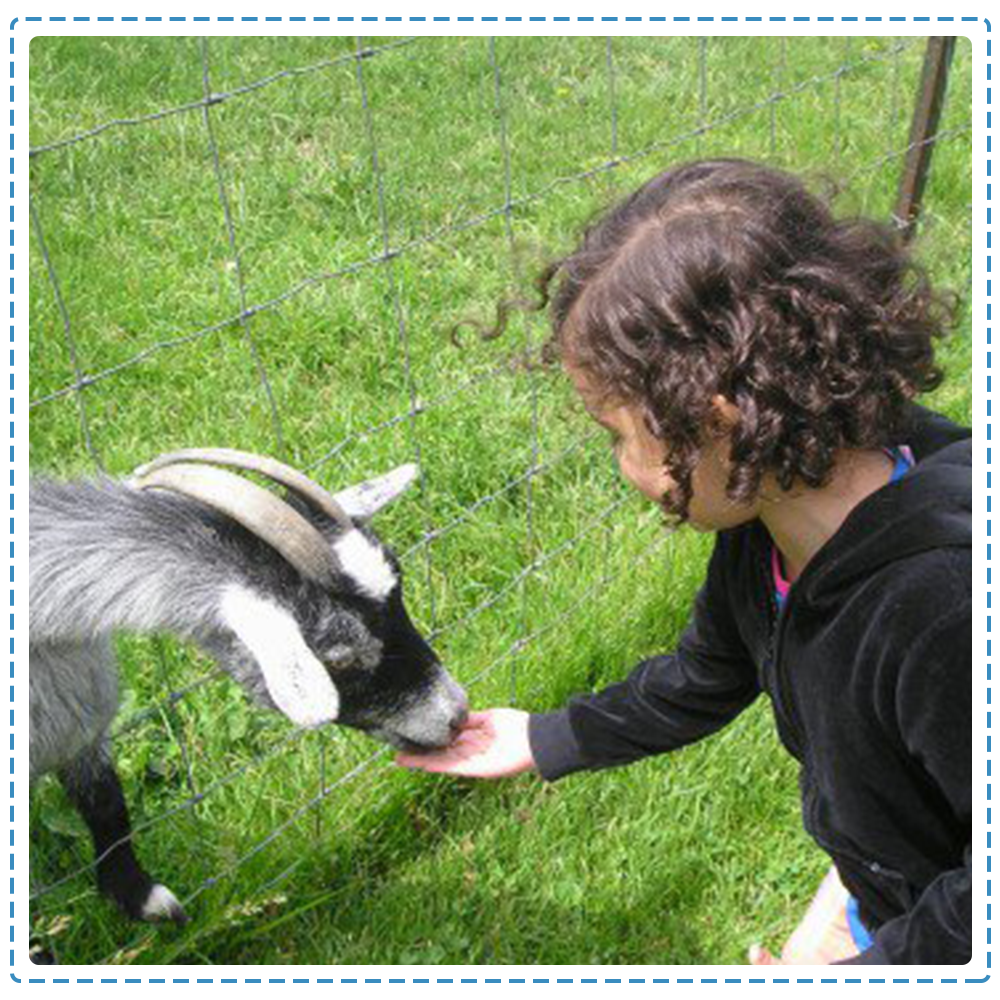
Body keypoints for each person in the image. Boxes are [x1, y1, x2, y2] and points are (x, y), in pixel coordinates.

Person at [397, 159, 973, 966]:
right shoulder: (766, 528)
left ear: (717, 420)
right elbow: (705, 674)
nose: (619, 466)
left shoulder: (941, 604)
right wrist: (550, 737)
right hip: (901, 891)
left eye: (618, 434)